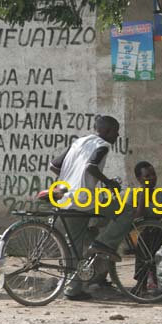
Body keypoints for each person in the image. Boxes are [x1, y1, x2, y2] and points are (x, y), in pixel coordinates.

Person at [49, 115, 133, 300]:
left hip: (65, 196)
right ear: (107, 131)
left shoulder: (79, 142)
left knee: (74, 245)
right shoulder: (102, 145)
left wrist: (70, 179)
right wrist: (108, 182)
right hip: (83, 199)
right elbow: (91, 167)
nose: (117, 134)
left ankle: (73, 289)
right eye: (115, 130)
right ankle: (103, 243)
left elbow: (54, 165)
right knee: (126, 211)